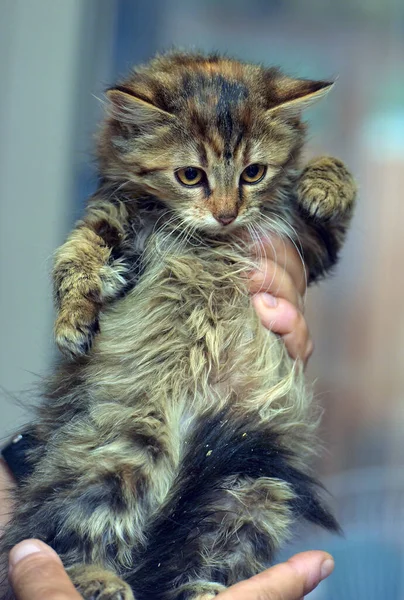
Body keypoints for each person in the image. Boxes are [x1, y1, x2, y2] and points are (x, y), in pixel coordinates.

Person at [1, 236, 329, 600]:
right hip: (128, 427)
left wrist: (302, 249)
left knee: (252, 505)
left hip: (233, 446)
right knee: (121, 463)